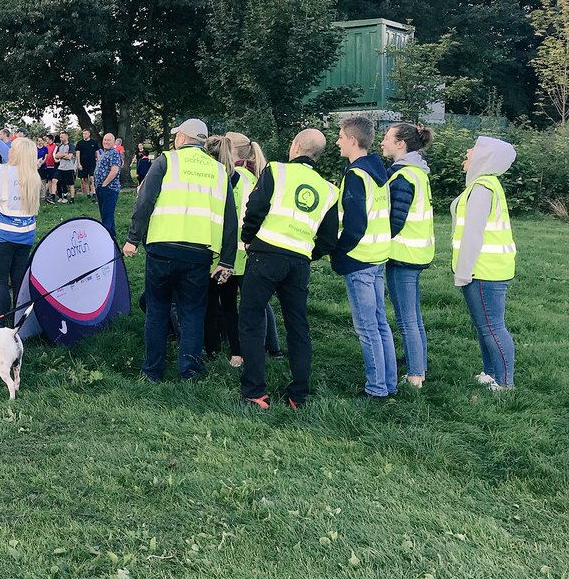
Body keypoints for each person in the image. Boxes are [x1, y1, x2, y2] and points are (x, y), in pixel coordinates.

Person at [122, 119, 237, 382]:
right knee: (193, 312)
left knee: (157, 309)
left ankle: (152, 371)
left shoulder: (166, 161)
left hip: (162, 248)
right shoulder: (220, 171)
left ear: (183, 138)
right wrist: (227, 261)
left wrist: (132, 240)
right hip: (199, 253)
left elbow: (144, 203)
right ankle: (190, 371)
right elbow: (230, 220)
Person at [237, 128, 339, 409]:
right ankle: (298, 394)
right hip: (299, 262)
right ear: (318, 154)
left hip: (265, 254)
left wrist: (248, 238)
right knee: (298, 325)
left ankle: (255, 392)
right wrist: (308, 252)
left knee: (251, 319)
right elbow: (329, 239)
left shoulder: (276, 170)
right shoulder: (330, 190)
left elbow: (255, 208)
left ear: (294, 146)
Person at [334, 115, 396, 400]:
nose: (337, 141)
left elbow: (355, 224)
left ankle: (376, 388)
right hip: (378, 255)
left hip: (359, 258)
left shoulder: (356, 175)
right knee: (380, 323)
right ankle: (389, 382)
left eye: (340, 136)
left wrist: (338, 252)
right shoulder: (378, 171)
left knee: (367, 327)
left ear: (352, 140)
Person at [452, 136, 518, 391]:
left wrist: (463, 272)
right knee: (485, 325)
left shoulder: (482, 188)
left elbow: (473, 234)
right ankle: (490, 374)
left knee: (492, 327)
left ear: (485, 157)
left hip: (485, 271)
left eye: (475, 149)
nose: (468, 151)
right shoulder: (484, 184)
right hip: (487, 269)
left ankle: (504, 383)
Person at [382, 122, 436, 388]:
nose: (383, 142)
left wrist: (377, 240)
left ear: (401, 143)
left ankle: (415, 375)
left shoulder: (403, 175)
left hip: (402, 254)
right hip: (415, 253)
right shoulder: (417, 172)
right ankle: (419, 364)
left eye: (387, 138)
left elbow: (395, 219)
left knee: (406, 319)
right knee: (413, 315)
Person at [0, 118, 41, 326]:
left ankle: (3, 324)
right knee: (19, 281)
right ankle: (19, 322)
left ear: (16, 153)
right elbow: (9, 155)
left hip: (2, 236)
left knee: (0, 283)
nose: (9, 149)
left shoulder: (2, 172)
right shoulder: (33, 176)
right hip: (25, 236)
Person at [94, 133, 122, 239]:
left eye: (108, 140)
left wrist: (105, 184)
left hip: (109, 189)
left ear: (114, 142)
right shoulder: (105, 153)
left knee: (107, 215)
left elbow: (114, 170)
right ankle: (112, 236)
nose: (106, 142)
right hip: (101, 188)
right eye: (105, 140)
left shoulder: (114, 153)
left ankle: (105, 238)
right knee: (106, 214)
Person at [76, 128, 100, 200]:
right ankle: (88, 194)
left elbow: (97, 152)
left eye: (86, 133)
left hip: (92, 163)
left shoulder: (94, 142)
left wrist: (98, 161)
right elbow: (77, 154)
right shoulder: (79, 143)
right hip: (83, 164)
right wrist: (79, 164)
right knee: (84, 179)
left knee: (92, 178)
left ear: (89, 134)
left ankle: (94, 193)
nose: (84, 135)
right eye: (83, 134)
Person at [54, 132, 76, 203]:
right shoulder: (59, 146)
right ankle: (53, 196)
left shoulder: (71, 145)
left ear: (66, 137)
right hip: (61, 167)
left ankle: (72, 199)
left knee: (70, 184)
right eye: (60, 137)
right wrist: (64, 154)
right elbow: (56, 156)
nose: (60, 138)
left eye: (62, 137)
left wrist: (61, 155)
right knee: (55, 180)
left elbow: (69, 157)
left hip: (69, 168)